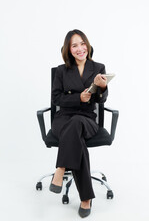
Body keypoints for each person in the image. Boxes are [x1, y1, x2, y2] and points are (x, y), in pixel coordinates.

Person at [50, 29, 108, 218]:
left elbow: (101, 100)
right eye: (74, 45)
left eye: (82, 43)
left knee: (77, 124)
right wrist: (78, 99)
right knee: (77, 140)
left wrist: (102, 87)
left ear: (88, 45)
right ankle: (86, 198)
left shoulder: (98, 67)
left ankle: (60, 168)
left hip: (87, 120)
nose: (80, 48)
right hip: (63, 119)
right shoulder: (61, 70)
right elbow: (56, 99)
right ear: (68, 49)